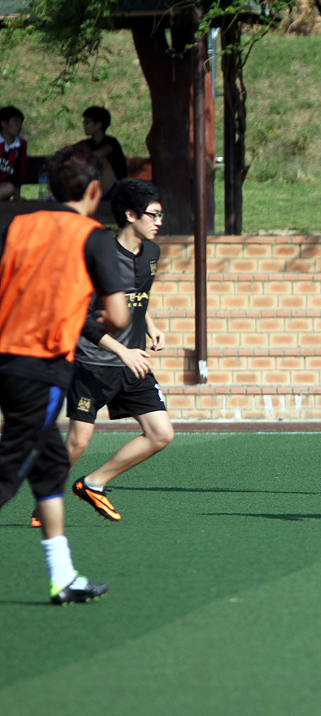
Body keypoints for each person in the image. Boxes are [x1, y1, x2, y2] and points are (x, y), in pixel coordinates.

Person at [0, 144, 130, 604]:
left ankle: (63, 577)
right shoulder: (93, 236)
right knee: (8, 471)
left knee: (51, 464)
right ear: (94, 190)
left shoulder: (18, 224)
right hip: (39, 367)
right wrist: (100, 321)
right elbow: (119, 315)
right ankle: (63, 578)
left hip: (7, 357)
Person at [64, 178, 173, 523]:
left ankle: (93, 484)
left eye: (160, 215)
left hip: (133, 362)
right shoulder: (100, 256)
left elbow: (135, 296)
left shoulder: (152, 253)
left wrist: (150, 325)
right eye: (153, 215)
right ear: (130, 215)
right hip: (93, 362)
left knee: (161, 433)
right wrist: (122, 351)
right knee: (78, 442)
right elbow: (80, 317)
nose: (159, 222)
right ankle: (46, 497)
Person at [76, 106, 126, 192]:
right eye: (84, 122)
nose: (84, 125)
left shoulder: (111, 142)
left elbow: (100, 154)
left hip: (115, 187)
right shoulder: (85, 143)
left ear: (99, 124)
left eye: (87, 122)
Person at [0, 105, 27, 202]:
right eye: (15, 121)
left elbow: (19, 170)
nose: (19, 126)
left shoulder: (21, 145)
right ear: (3, 123)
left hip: (3, 187)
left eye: (20, 122)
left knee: (9, 188)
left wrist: (17, 196)